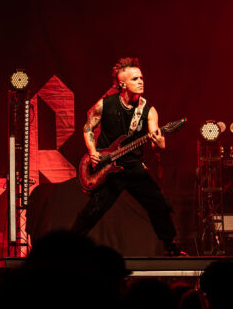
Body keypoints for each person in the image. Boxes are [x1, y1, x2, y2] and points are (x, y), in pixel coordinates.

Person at [71, 57, 182, 255]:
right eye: (135, 79)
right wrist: (92, 151)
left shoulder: (148, 110)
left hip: (133, 166)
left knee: (158, 203)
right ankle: (68, 246)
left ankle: (171, 246)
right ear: (122, 84)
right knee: (94, 209)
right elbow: (88, 127)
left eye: (141, 78)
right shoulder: (105, 104)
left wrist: (159, 141)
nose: (141, 82)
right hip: (108, 165)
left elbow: (159, 145)